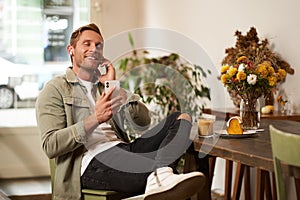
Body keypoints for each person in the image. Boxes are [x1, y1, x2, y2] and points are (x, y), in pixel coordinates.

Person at [36, 23, 206, 200]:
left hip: (123, 149)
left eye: (98, 45)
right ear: (71, 50)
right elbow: (50, 145)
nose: (94, 49)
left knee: (180, 118)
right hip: (90, 163)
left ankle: (159, 175)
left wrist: (116, 90)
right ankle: (159, 175)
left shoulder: (106, 86)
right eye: (87, 44)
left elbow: (143, 121)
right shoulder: (55, 89)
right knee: (168, 175)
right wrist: (96, 118)